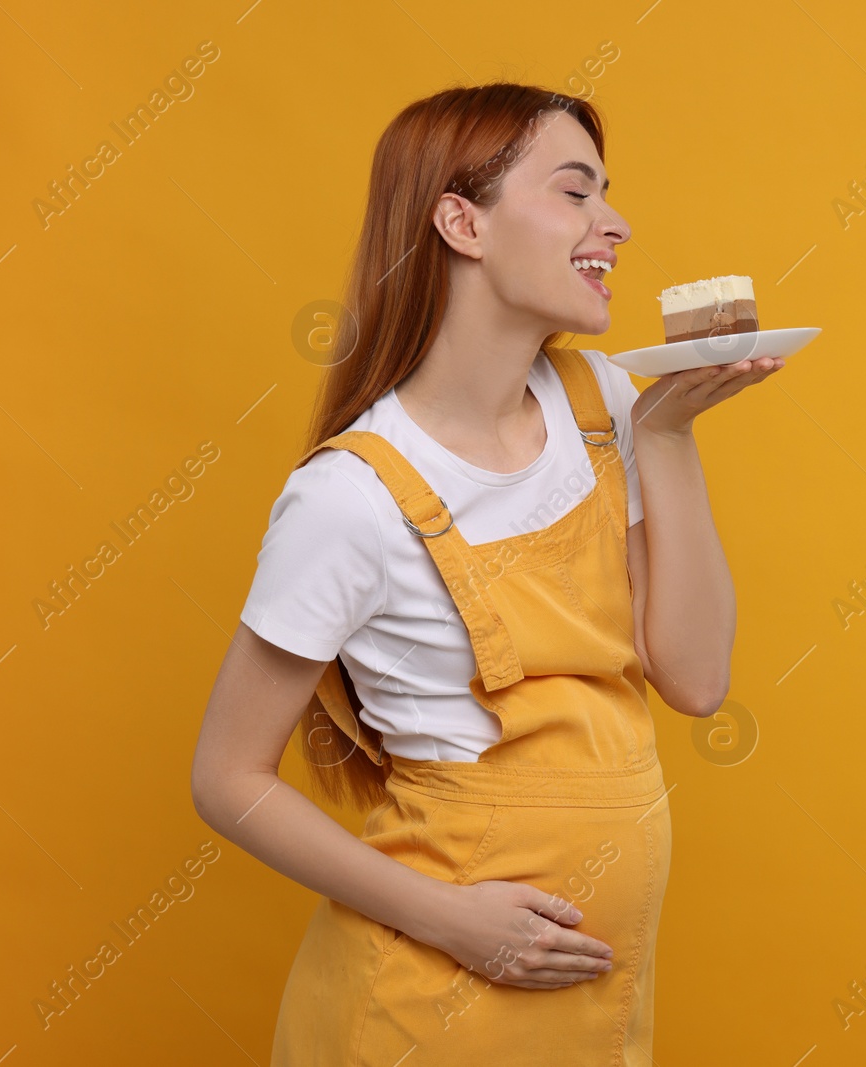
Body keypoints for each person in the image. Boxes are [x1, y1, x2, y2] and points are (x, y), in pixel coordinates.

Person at [189, 81, 783, 1064]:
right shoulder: (350, 496)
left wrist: (669, 435)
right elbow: (226, 776)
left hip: (596, 1000)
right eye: (575, 192)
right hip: (425, 1004)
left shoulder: (611, 405)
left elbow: (695, 676)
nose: (615, 224)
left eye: (607, 195)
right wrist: (453, 920)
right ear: (461, 221)